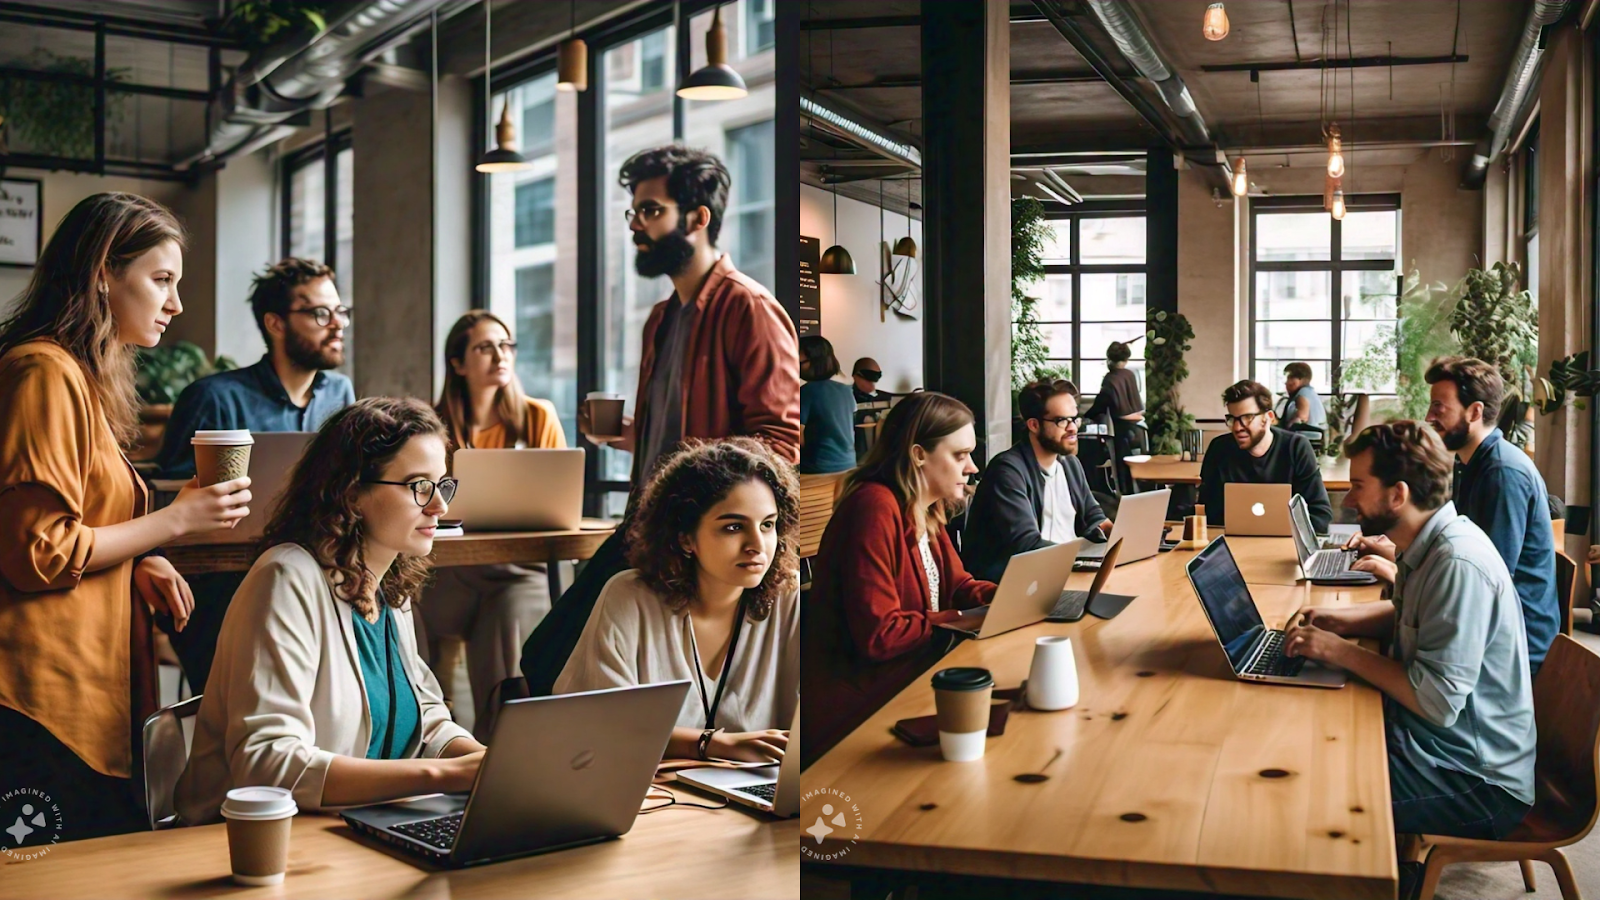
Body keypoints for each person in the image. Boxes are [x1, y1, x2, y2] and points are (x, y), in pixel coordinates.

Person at [0, 193, 251, 840]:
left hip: (84, 693)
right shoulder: (43, 374)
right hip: (41, 699)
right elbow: (38, 554)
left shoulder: (79, 377)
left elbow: (81, 522)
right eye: (161, 281)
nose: (176, 304)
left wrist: (141, 559)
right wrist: (175, 521)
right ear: (102, 273)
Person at [520, 144, 800, 695]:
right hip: (649, 525)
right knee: (549, 658)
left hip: (702, 532)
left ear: (698, 218)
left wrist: (708, 495)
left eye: (651, 211)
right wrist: (631, 437)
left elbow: (780, 443)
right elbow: (679, 441)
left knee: (554, 658)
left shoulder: (748, 307)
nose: (636, 227)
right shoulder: (661, 318)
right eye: (634, 213)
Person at [175, 398, 484, 824]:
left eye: (441, 485)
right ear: (353, 492)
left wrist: (488, 762)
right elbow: (268, 763)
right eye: (419, 487)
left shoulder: (388, 585)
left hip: (360, 827)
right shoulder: (286, 579)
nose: (439, 507)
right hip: (254, 844)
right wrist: (442, 775)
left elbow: (427, 719)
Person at [1285, 421, 1534, 843]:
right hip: (1434, 744)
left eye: (1359, 485)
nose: (1348, 499)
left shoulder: (1457, 563)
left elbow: (1436, 702)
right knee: (1307, 737)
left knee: (1309, 788)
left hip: (1475, 782)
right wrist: (1340, 623)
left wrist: (1340, 652)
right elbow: (1408, 616)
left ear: (1397, 495)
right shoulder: (1429, 543)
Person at [150, 258, 357, 693]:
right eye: (321, 313)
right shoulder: (213, 398)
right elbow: (167, 501)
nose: (337, 325)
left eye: (340, 312)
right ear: (275, 323)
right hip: (224, 583)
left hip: (313, 572)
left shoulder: (341, 395)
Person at [555, 439, 798, 762]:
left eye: (768, 525)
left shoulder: (787, 598)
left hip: (758, 795)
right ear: (685, 538)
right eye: (733, 527)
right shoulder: (630, 598)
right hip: (654, 797)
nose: (757, 544)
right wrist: (709, 744)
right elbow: (592, 725)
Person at [802, 392, 998, 766]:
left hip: (909, 681)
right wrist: (961, 619)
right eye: (960, 455)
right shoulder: (873, 507)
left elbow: (958, 587)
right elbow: (880, 635)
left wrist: (1007, 595)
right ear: (919, 454)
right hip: (861, 712)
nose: (971, 467)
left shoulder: (923, 507)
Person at [1346, 357, 1559, 675]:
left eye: (1438, 407)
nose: (1429, 417)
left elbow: (1478, 581)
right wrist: (1391, 551)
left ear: (1474, 412)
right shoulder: (1470, 463)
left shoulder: (1502, 472)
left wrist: (1398, 573)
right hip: (1483, 631)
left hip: (1510, 649)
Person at [422, 311, 567, 739]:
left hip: (516, 570)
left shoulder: (538, 418)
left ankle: (499, 748)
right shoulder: (432, 427)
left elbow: (556, 501)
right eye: (485, 347)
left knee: (513, 612)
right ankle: (429, 736)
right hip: (449, 568)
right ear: (457, 363)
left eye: (506, 346)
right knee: (409, 602)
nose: (500, 355)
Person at [962, 379, 1111, 582]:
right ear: (1034, 424)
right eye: (1061, 421)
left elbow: (1093, 515)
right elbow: (1027, 545)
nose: (1072, 428)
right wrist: (1081, 562)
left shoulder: (1070, 464)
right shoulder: (1008, 471)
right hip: (1021, 583)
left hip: (1063, 571)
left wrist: (1117, 537)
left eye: (1074, 419)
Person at [1198, 379, 1332, 533]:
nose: (1236, 427)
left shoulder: (1296, 447)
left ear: (1268, 417)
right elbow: (1208, 511)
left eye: (1247, 417)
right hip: (1234, 542)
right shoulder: (1219, 449)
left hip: (1286, 544)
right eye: (1232, 419)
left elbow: (1321, 514)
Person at [1084, 341, 1145, 494]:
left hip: (1121, 430)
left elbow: (1101, 404)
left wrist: (1085, 416)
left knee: (1122, 472)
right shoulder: (1130, 375)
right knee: (1137, 472)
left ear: (1109, 358)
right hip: (1139, 428)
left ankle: (1125, 503)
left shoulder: (1110, 379)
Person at [798, 335, 857, 474]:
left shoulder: (807, 391)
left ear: (816, 362)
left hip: (819, 468)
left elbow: (798, 438)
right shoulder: (847, 390)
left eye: (800, 363)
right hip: (849, 464)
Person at [1277, 362, 1328, 432]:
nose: (1286, 382)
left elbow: (1302, 417)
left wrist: (1286, 431)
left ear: (1301, 380)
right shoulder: (1310, 392)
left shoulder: (1303, 394)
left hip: (1306, 437)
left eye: (1290, 378)